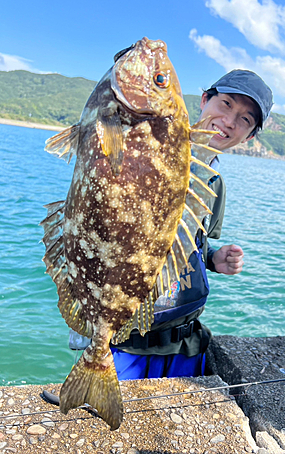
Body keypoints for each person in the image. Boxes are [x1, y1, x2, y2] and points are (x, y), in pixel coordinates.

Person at [109, 69, 274, 380]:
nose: (230, 121)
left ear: (250, 136)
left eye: (245, 120)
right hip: (128, 339)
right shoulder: (155, 147)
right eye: (225, 104)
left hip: (186, 342)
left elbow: (189, 240)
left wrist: (213, 259)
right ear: (204, 100)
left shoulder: (214, 181)